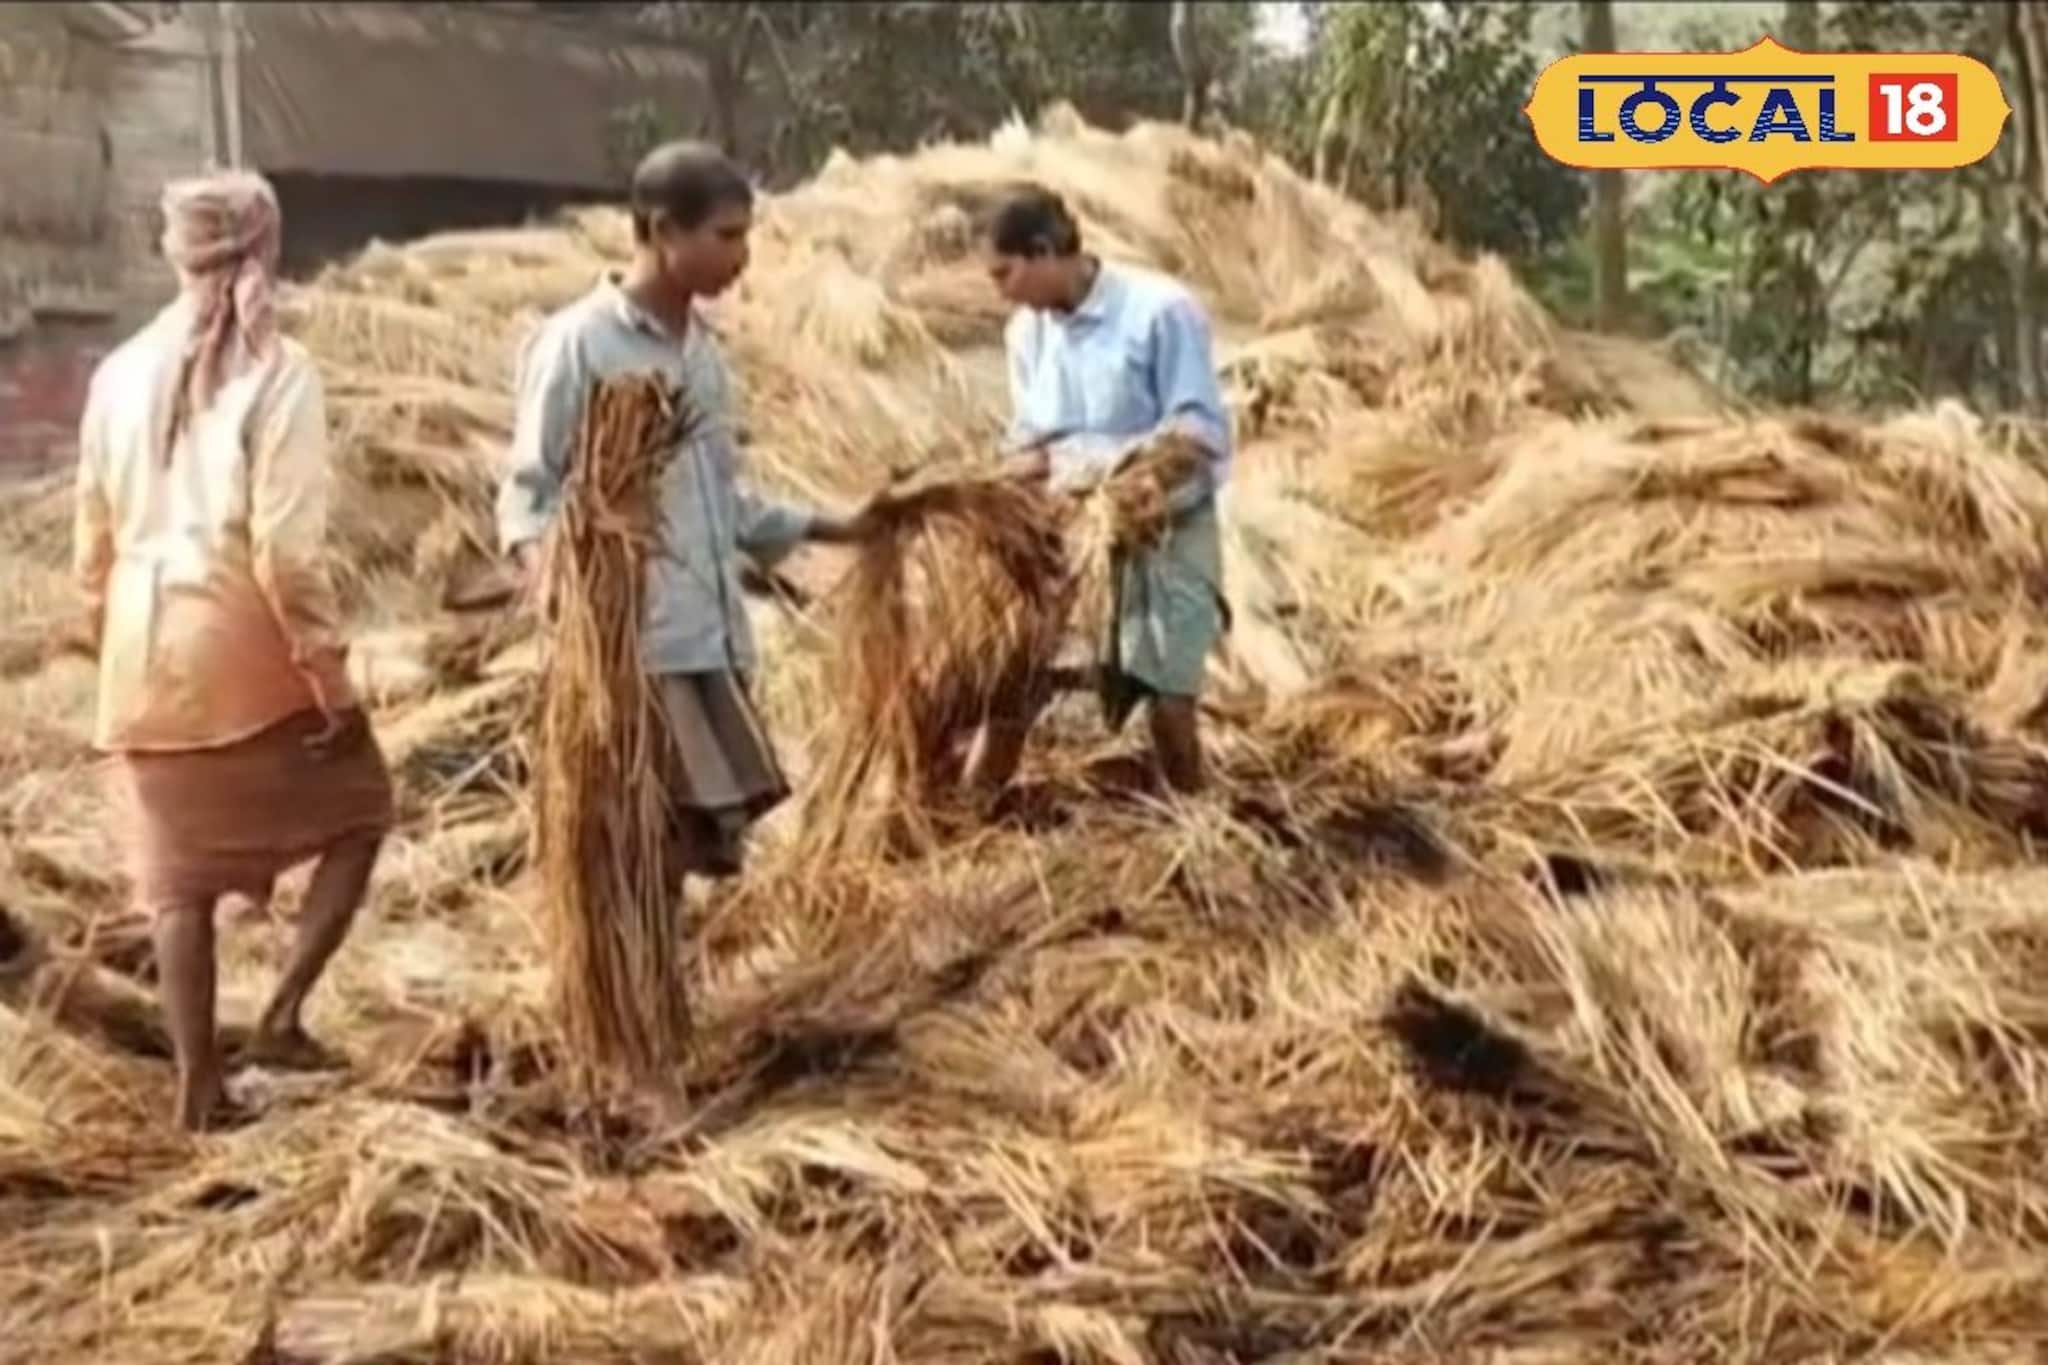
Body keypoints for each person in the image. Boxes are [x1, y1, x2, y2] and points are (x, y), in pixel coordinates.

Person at [72, 170, 393, 1132]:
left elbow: (92, 539)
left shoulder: (116, 371)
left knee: (178, 881)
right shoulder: (277, 371)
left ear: (176, 253)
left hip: (140, 648)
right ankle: (285, 1011)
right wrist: (326, 672)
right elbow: (287, 555)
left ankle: (198, 1083)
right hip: (243, 647)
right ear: (267, 247)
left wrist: (102, 633)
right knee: (363, 806)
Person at [498, 140, 873, 880]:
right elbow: (527, 493)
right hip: (634, 647)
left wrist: (843, 526)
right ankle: (633, 993)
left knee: (684, 850)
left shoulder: (700, 351)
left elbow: (721, 502)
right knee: (639, 849)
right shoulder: (580, 343)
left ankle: (662, 989)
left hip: (707, 638)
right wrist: (552, 585)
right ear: (664, 231)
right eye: (727, 236)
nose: (743, 257)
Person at [969, 185, 1232, 800]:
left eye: (1004, 273)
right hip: (1065, 527)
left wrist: (1128, 485)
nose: (999, 291)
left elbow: (1198, 431)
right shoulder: (1026, 336)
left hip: (1162, 526)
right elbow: (1031, 443)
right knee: (1010, 677)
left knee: (1168, 698)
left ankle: (1199, 828)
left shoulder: (1160, 312)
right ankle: (966, 818)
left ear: (1043, 251)